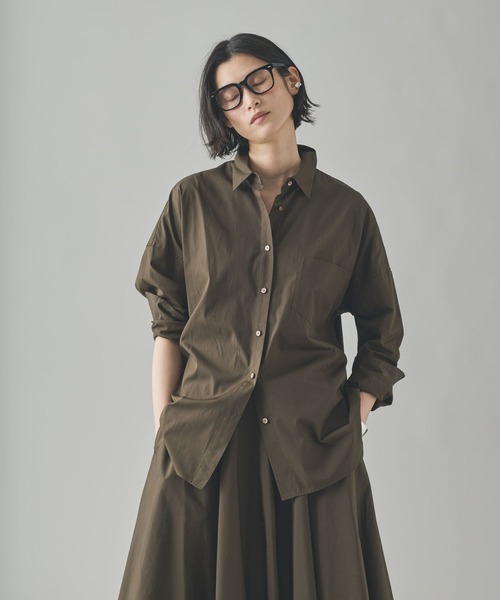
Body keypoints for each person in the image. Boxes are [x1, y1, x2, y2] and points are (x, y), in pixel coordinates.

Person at [117, 32, 405, 600]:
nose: (249, 99)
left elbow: (382, 329)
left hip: (312, 449)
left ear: (290, 79)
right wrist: (166, 428)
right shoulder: (191, 202)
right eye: (230, 95)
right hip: (204, 446)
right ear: (223, 116)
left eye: (258, 80)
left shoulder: (347, 212)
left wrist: (354, 417)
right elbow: (168, 323)